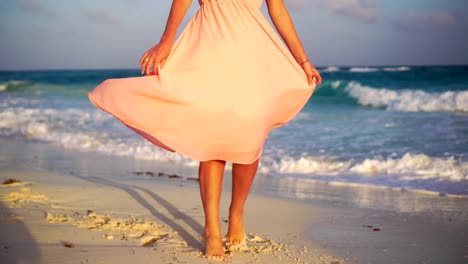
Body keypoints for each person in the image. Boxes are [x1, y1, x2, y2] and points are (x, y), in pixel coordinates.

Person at [88, 0, 322, 260]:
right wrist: (167, 40)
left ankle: (236, 212)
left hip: (254, 53)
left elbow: (277, 10)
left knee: (252, 133)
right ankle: (211, 228)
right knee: (212, 135)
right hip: (209, 46)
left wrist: (303, 61)